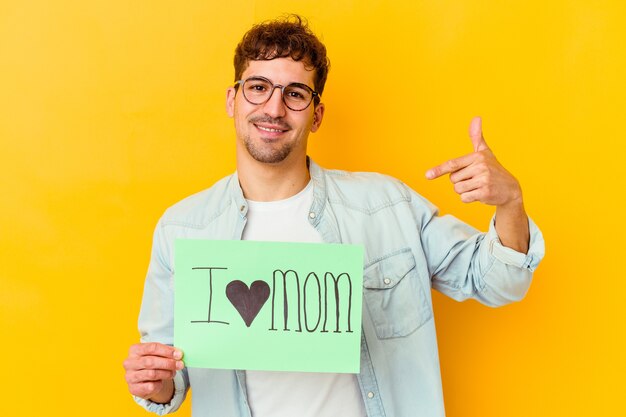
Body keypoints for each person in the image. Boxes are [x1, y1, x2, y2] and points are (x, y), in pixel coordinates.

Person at [123, 15, 544, 417]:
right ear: (233, 100)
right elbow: (167, 381)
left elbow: (498, 281)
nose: (274, 108)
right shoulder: (181, 230)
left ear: (316, 114)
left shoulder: (386, 206)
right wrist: (155, 383)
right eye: (258, 87)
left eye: (295, 93)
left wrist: (510, 202)